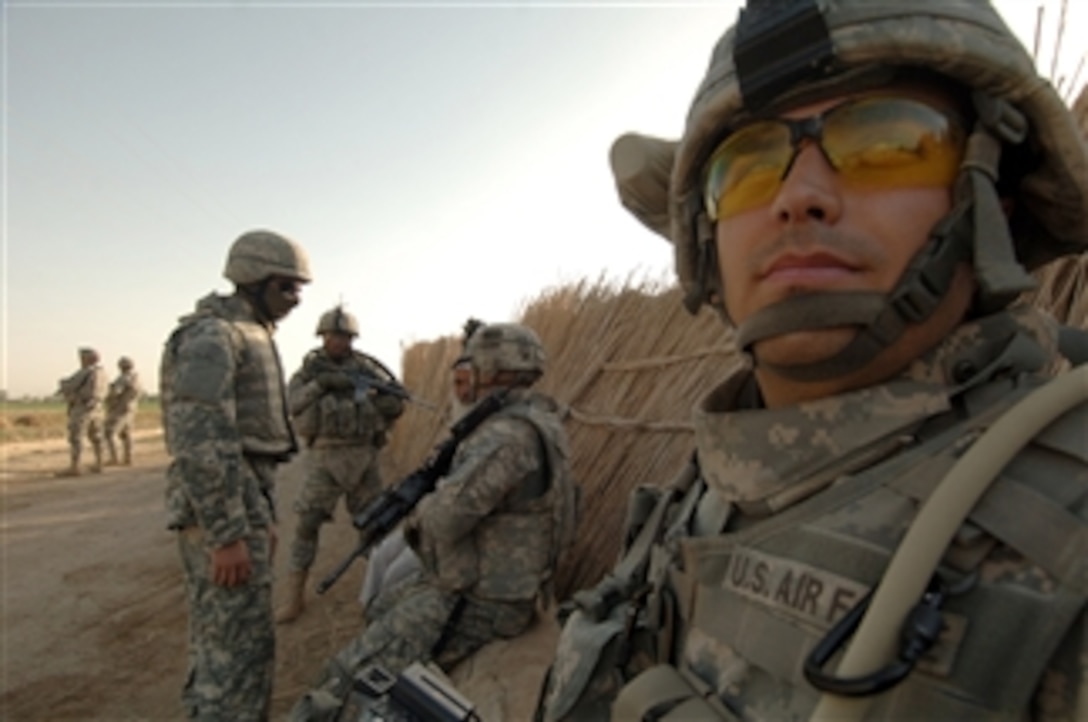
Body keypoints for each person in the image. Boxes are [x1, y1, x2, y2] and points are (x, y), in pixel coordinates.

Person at [539, 1, 1088, 720]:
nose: (799, 197)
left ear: (995, 202)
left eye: (888, 142)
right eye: (747, 166)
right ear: (706, 241)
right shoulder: (721, 473)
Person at [292, 322, 579, 721]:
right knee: (381, 607)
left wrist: (421, 505)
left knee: (343, 677)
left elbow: (445, 521)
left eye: (470, 372)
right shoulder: (537, 419)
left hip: (480, 600)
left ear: (491, 373)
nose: (466, 382)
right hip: (482, 583)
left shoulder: (506, 436)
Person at [159, 229, 311, 721]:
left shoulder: (247, 331)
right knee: (234, 658)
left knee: (235, 645)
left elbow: (241, 446)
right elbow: (201, 440)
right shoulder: (212, 336)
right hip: (223, 510)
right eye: (286, 287)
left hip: (244, 499)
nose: (295, 299)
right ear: (252, 279)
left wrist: (257, 515)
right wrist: (227, 534)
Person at [275, 306, 407, 624]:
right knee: (307, 523)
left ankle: (382, 591)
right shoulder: (309, 373)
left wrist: (371, 396)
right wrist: (323, 385)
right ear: (323, 337)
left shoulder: (367, 370)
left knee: (377, 525)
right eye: (335, 336)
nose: (340, 342)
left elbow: (396, 404)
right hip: (325, 458)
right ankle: (295, 596)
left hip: (364, 458)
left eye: (346, 336)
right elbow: (292, 404)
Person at [357, 317, 486, 613]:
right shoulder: (464, 418)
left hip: (459, 527)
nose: (463, 387)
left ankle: (380, 624)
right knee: (379, 557)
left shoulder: (504, 428)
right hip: (436, 511)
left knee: (393, 575)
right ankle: (368, 618)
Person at [55, 347, 109, 477]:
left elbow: (69, 385)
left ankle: (75, 466)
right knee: (97, 437)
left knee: (76, 437)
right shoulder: (102, 373)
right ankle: (100, 463)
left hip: (83, 408)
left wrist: (63, 384)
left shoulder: (86, 372)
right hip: (97, 408)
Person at [103, 356, 142, 466]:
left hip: (120, 409)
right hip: (131, 409)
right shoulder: (136, 378)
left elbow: (115, 392)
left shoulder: (124, 378)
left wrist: (108, 396)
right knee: (126, 434)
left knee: (110, 432)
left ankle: (114, 458)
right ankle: (128, 458)